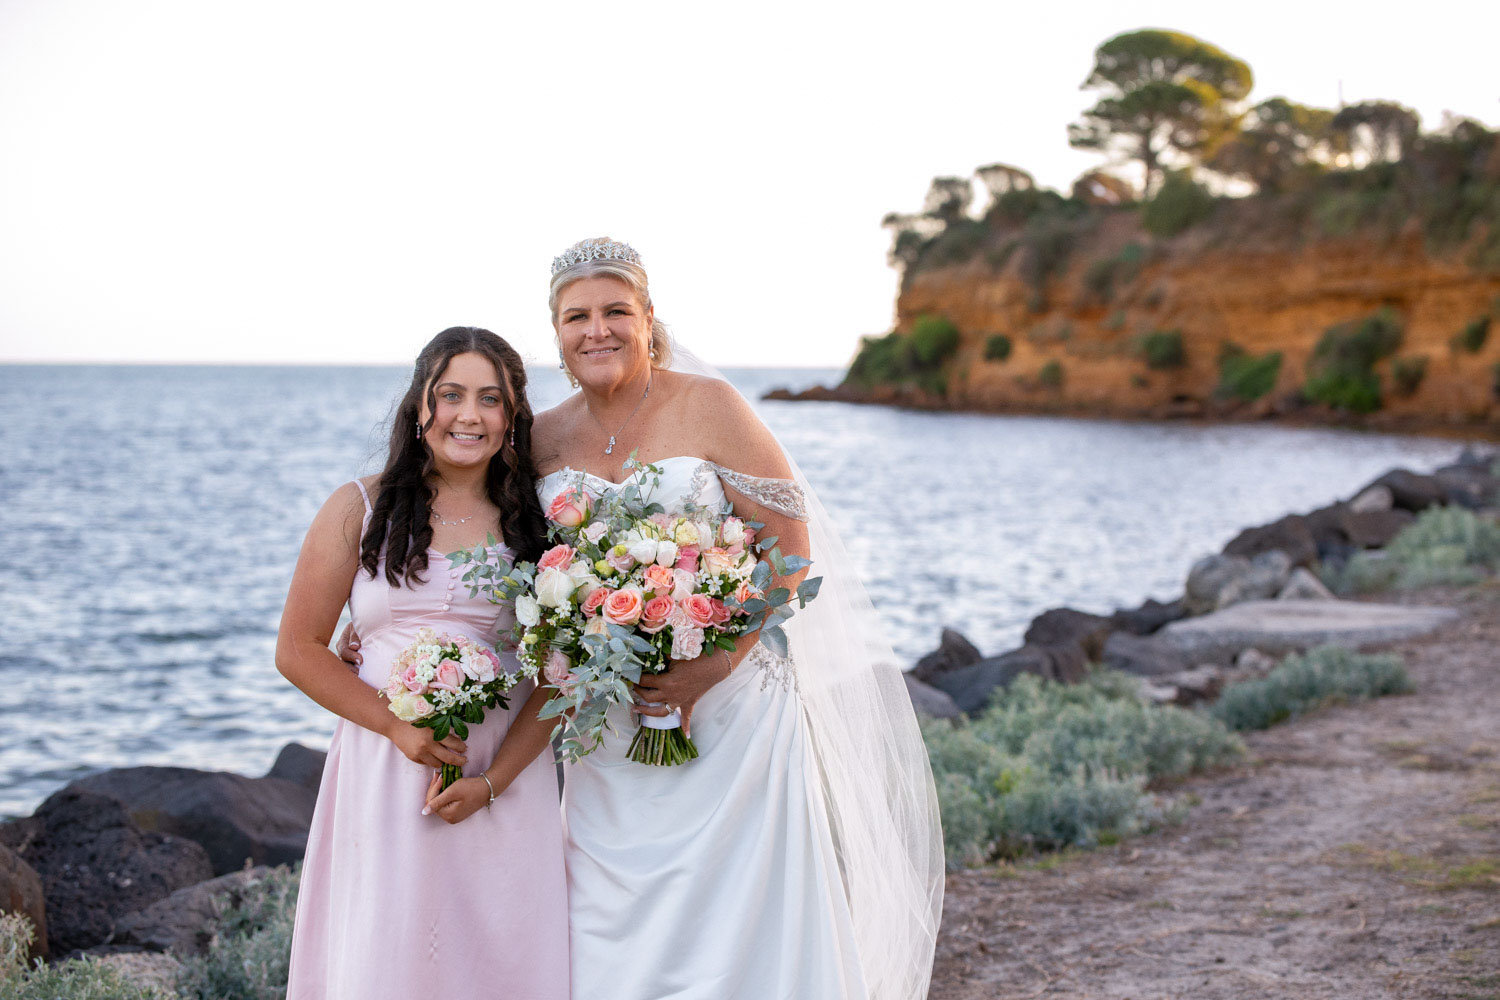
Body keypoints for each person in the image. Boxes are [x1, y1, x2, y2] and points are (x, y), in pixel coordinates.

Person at [533, 238, 943, 999]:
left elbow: (791, 552)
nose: (598, 330)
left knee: (744, 925)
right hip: (610, 725)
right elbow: (511, 562)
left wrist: (712, 661)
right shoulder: (541, 436)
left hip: (732, 716)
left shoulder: (710, 406)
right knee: (605, 921)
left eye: (616, 311)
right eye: (576, 316)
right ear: (555, 331)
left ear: (648, 317)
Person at [277, 327, 569, 1000]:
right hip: (382, 771)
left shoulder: (539, 526)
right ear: (419, 408)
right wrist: (398, 729)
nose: (469, 415)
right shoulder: (360, 507)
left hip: (501, 782)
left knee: (498, 959)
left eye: (490, 399)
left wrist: (493, 782)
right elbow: (297, 650)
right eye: (451, 395)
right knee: (384, 958)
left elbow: (559, 681)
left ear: (512, 417)